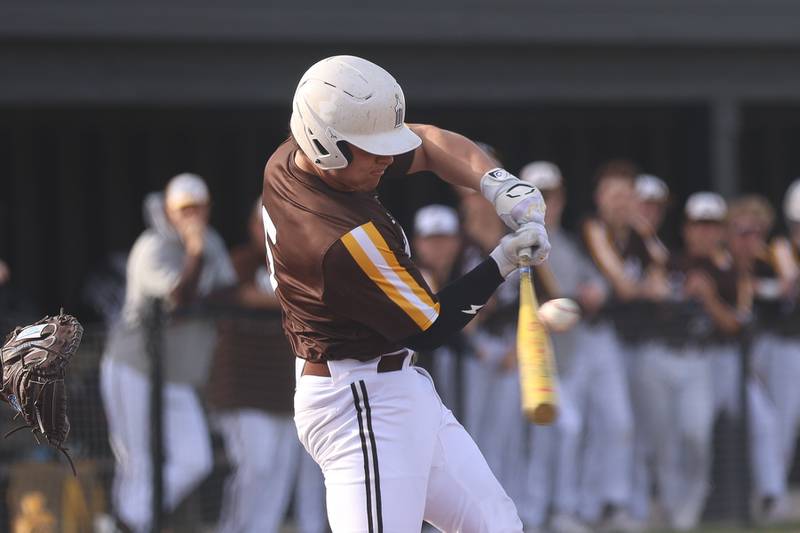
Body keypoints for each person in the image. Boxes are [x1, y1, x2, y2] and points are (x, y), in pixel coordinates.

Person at [262, 55, 550, 531]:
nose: (386, 159)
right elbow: (430, 327)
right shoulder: (338, 238)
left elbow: (432, 143)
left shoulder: (295, 154)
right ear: (325, 144)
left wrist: (501, 186)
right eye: (371, 149)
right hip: (359, 404)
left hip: (396, 386)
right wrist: (504, 260)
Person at [100, 173, 236, 533]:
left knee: (196, 459)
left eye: (198, 208)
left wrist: (200, 254)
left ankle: (127, 522)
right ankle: (130, 523)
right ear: (169, 210)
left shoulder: (213, 242)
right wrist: (193, 253)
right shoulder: (153, 245)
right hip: (135, 364)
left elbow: (227, 292)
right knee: (136, 461)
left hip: (178, 373)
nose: (192, 216)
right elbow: (180, 298)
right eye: (184, 209)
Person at [207, 200, 326, 533]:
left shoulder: (301, 264)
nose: (271, 230)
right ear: (252, 227)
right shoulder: (240, 261)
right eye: (263, 223)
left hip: (285, 390)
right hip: (242, 390)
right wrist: (292, 298)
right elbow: (239, 295)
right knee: (255, 467)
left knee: (278, 476)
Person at [578, 159, 668, 531]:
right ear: (600, 197)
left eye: (628, 195)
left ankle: (612, 503)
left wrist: (645, 232)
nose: (621, 202)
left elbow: (661, 277)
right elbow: (624, 285)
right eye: (614, 194)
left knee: (617, 422)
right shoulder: (592, 227)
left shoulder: (637, 236)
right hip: (578, 337)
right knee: (580, 427)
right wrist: (646, 288)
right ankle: (577, 507)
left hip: (607, 338)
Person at [518, 161, 605, 533]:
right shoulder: (516, 241)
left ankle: (557, 511)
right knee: (546, 435)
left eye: (551, 195)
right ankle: (536, 514)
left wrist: (591, 293)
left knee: (567, 432)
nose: (547, 202)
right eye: (538, 195)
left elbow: (595, 284)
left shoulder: (565, 242)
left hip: (568, 353)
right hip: (528, 353)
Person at [636, 192, 730, 530]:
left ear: (722, 230)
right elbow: (648, 298)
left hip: (698, 360)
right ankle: (672, 512)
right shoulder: (668, 260)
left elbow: (736, 326)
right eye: (699, 224)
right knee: (661, 440)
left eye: (712, 225)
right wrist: (674, 293)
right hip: (659, 354)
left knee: (695, 434)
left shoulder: (728, 270)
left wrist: (709, 298)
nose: (705, 232)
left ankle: (692, 503)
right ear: (687, 228)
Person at [759, 179, 800, 518]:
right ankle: (771, 495)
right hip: (785, 346)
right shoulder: (781, 247)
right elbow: (789, 284)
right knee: (781, 421)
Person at [411, 204, 464, 411]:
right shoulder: (415, 275)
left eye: (444, 239)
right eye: (431, 240)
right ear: (417, 242)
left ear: (456, 242)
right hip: (415, 368)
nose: (438, 247)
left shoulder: (458, 274)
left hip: (447, 365)